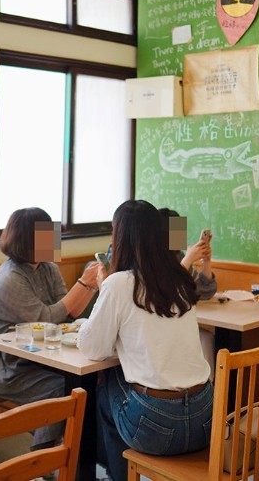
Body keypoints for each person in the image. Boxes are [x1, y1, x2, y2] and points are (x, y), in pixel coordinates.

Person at [78, 200, 214, 481]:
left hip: (157, 429)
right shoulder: (180, 278)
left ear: (120, 238)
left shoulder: (119, 284)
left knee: (105, 381)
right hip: (206, 419)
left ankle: (109, 475)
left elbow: (94, 349)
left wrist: (104, 291)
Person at [0, 207, 100, 452]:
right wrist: (84, 282)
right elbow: (45, 319)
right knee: (61, 389)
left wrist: (93, 285)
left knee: (86, 383)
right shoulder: (10, 277)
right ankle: (41, 459)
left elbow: (71, 311)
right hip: (2, 364)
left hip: (35, 355)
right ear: (27, 240)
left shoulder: (47, 268)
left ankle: (68, 458)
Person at [160, 207, 217, 300]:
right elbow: (168, 292)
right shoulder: (153, 259)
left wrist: (206, 262)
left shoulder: (178, 255)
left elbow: (205, 292)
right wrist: (188, 260)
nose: (181, 235)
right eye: (176, 230)